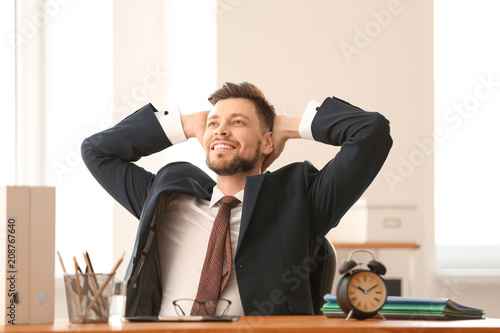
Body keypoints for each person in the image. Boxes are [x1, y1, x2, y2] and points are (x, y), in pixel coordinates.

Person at [81, 81, 392, 317]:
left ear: (268, 140)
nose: (221, 131)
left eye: (238, 122)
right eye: (214, 124)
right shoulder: (165, 195)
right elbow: (96, 151)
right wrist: (186, 125)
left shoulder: (303, 199)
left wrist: (289, 125)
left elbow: (371, 132)